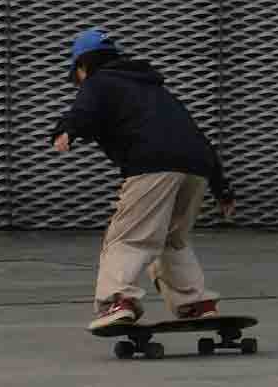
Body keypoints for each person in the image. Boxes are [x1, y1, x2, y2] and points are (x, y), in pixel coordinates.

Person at [51, 28, 236, 330]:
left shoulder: (99, 81)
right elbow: (195, 135)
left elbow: (85, 110)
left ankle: (117, 300)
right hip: (196, 166)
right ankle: (196, 302)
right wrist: (222, 188)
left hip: (153, 166)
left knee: (128, 237)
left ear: (83, 66)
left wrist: (67, 130)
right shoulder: (154, 89)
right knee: (170, 240)